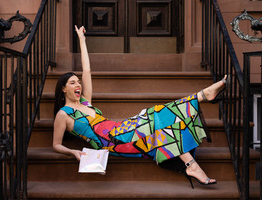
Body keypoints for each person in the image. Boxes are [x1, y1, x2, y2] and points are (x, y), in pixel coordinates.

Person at [53, 25, 225, 189]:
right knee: (157, 116)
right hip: (111, 142)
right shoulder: (64, 115)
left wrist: (82, 40)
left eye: (78, 82)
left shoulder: (85, 101)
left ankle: (191, 165)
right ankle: (202, 96)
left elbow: (87, 70)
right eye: (72, 82)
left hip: (120, 129)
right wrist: (73, 152)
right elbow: (56, 145)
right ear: (63, 88)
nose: (78, 85)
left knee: (163, 123)